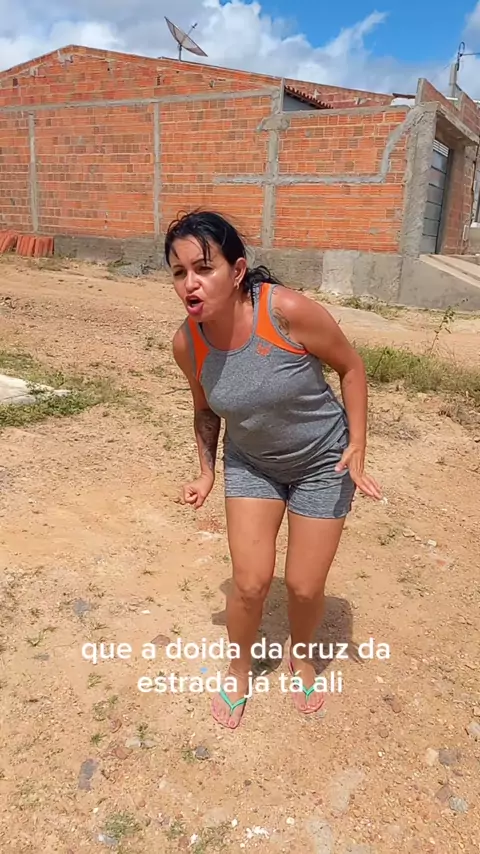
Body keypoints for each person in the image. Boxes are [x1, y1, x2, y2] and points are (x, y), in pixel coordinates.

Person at [166, 209, 382, 729]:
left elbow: (351, 367)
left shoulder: (285, 311)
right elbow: (205, 409)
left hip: (323, 461)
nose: (190, 283)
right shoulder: (188, 343)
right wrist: (206, 472)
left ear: (237, 270)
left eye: (204, 268)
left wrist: (357, 443)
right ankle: (238, 671)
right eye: (179, 272)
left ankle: (301, 656)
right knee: (250, 583)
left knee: (304, 587)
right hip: (252, 464)